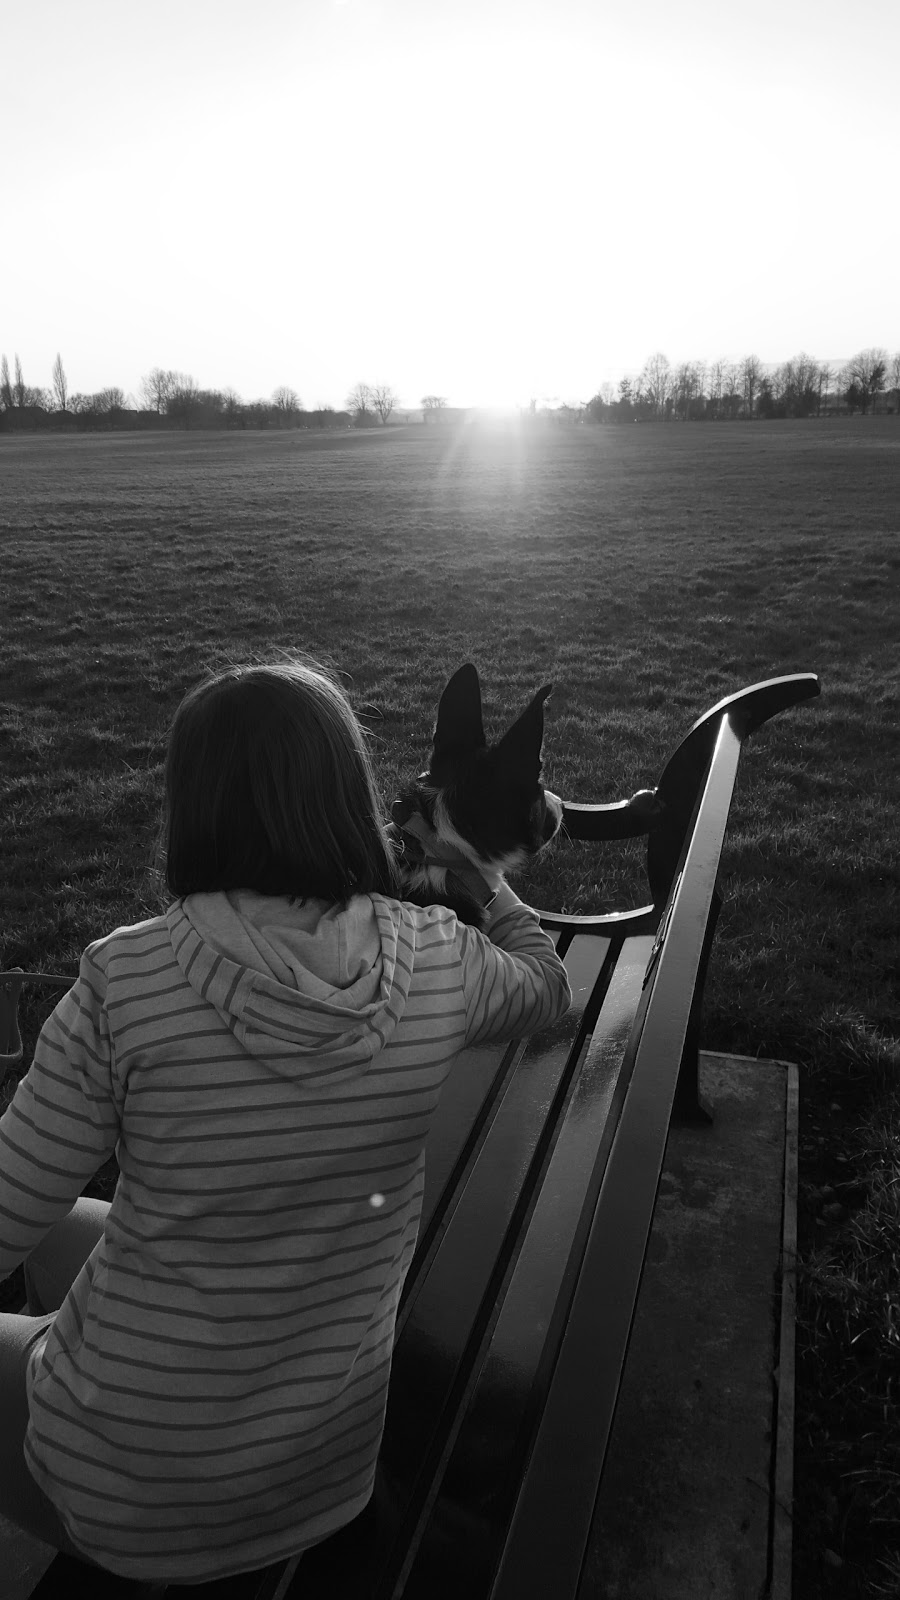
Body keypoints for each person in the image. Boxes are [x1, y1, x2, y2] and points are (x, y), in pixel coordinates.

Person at [0, 656, 571, 1584]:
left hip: (136, 1498)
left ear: (191, 804)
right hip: (325, 1473)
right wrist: (481, 876)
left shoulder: (125, 980)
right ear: (350, 792)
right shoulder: (434, 954)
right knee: (69, 1240)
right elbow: (548, 988)